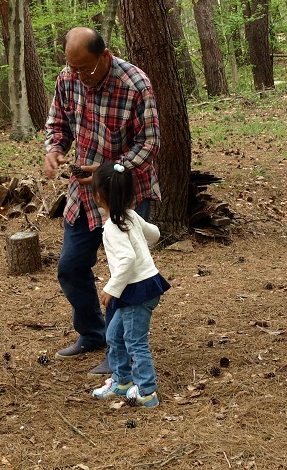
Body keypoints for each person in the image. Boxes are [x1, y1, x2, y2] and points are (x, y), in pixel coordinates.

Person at [43, 27, 161, 375]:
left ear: (105, 56)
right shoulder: (68, 78)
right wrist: (55, 149)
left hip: (125, 193)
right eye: (72, 67)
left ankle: (119, 351)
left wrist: (111, 169)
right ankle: (93, 333)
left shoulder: (135, 84)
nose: (78, 75)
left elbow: (149, 144)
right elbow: (57, 123)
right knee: (71, 267)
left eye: (85, 68)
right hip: (83, 192)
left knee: (123, 274)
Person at [89, 163, 169, 407]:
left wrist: (110, 289)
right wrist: (142, 243)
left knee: (135, 342)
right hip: (143, 285)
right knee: (115, 334)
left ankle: (146, 391)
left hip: (137, 291)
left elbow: (128, 259)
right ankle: (122, 380)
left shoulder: (113, 227)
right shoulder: (130, 215)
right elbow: (154, 233)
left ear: (99, 196)